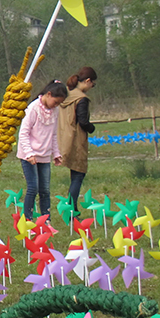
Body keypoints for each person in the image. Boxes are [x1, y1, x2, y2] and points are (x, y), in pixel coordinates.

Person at [17, 80, 67, 222]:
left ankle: (46, 220)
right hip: (30, 155)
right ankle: (28, 221)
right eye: (55, 102)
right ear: (48, 94)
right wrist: (29, 154)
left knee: (45, 190)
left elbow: (53, 134)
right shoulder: (33, 109)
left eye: (58, 104)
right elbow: (23, 133)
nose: (56, 106)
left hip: (44, 155)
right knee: (33, 188)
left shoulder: (54, 111)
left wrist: (56, 153)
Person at [59, 66, 97, 212]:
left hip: (64, 139)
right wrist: (92, 128)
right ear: (88, 81)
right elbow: (83, 121)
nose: (92, 87)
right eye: (93, 84)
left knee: (74, 175)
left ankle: (70, 208)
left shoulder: (66, 95)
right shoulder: (82, 99)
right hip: (77, 141)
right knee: (78, 175)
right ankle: (72, 209)